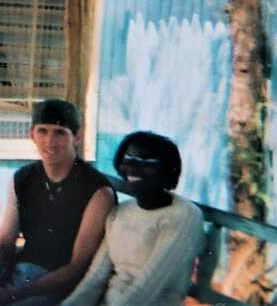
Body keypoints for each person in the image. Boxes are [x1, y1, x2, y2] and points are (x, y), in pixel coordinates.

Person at [0, 99, 116, 306]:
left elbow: (77, 268)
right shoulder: (23, 178)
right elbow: (5, 242)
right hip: (16, 274)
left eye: (60, 132)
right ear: (31, 133)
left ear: (76, 136)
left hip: (56, 288)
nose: (50, 141)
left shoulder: (98, 191)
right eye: (42, 131)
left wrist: (13, 294)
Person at [60, 131, 204, 306]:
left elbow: (148, 287)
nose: (134, 168)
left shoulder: (185, 215)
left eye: (147, 163)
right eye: (129, 160)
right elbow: (95, 278)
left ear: (167, 170)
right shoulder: (120, 212)